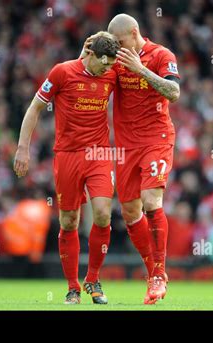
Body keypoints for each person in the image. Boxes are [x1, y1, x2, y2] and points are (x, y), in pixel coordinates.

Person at [14, 32, 119, 305]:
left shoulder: (111, 71)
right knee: (69, 221)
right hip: (67, 156)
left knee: (103, 214)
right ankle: (73, 287)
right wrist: (23, 148)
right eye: (104, 64)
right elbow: (35, 108)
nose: (108, 69)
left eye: (110, 65)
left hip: (99, 154)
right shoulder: (62, 72)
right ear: (91, 55)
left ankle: (93, 279)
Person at [83, 13, 181, 303]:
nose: (117, 48)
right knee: (129, 212)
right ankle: (153, 274)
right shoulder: (115, 61)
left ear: (134, 33)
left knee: (152, 201)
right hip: (126, 147)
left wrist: (141, 70)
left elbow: (173, 92)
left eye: (120, 42)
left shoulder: (161, 55)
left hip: (156, 139)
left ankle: (160, 273)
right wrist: (87, 52)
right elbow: (87, 77)